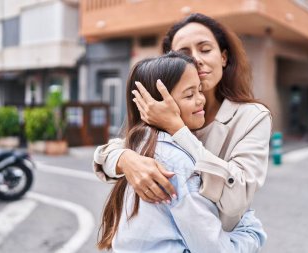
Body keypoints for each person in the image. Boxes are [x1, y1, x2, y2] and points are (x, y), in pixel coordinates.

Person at [94, 13, 272, 232]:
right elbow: (113, 151)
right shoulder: (158, 106)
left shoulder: (251, 117)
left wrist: (177, 129)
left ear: (224, 57)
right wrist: (126, 159)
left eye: (205, 49)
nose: (196, 59)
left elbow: (237, 200)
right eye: (184, 53)